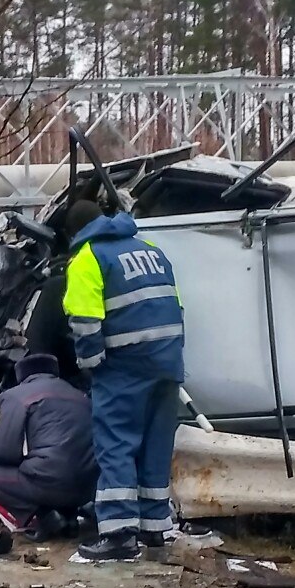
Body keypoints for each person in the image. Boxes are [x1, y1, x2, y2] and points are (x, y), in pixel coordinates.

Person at [64, 206, 185, 563]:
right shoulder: (151, 250)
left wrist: (89, 363)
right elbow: (176, 306)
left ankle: (118, 534)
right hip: (167, 360)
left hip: (125, 366)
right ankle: (154, 526)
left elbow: (85, 320)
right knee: (155, 443)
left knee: (116, 443)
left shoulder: (88, 257)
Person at [0, 353, 96, 539]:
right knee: (57, 468)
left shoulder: (15, 396)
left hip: (49, 485)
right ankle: (68, 518)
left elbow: (3, 453)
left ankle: (45, 516)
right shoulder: (81, 396)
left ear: (21, 376)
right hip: (87, 489)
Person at [24, 200, 103, 388]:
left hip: (83, 387)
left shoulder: (66, 280)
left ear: (70, 237)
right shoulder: (133, 260)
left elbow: (37, 346)